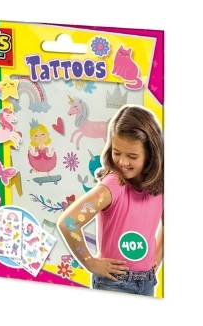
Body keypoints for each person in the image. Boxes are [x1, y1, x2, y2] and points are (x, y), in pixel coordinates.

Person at [57, 105, 164, 296]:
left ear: (151, 154)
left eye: (132, 156)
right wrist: (90, 262)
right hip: (114, 283)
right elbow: (68, 223)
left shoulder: (160, 187)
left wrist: (157, 257)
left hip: (147, 282)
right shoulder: (113, 186)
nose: (122, 162)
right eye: (117, 152)